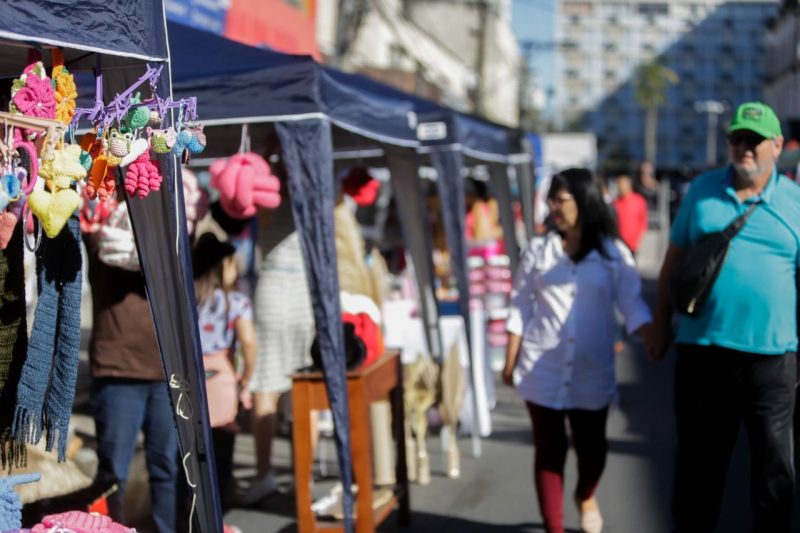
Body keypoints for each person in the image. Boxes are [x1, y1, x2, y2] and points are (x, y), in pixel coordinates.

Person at [648, 102, 800, 533]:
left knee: (774, 479)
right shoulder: (701, 190)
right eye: (737, 139)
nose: (744, 149)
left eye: (753, 141)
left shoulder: (795, 203)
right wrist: (660, 324)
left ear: (777, 145)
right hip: (703, 355)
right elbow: (671, 264)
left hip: (772, 361)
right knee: (698, 473)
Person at [503, 168, 652, 533]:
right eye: (551, 199)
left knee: (593, 453)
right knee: (549, 455)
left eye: (561, 199)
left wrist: (653, 336)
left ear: (584, 201)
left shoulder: (613, 253)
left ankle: (586, 494)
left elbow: (633, 304)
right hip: (543, 368)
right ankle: (554, 527)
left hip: (591, 372)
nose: (553, 206)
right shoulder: (539, 250)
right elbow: (520, 306)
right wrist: (510, 361)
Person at [83, 203, 179, 532]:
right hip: (117, 372)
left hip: (165, 373)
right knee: (114, 474)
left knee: (166, 468)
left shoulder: (170, 241)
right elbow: (97, 238)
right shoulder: (101, 230)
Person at [243, 193, 315, 505]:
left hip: (278, 286)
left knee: (270, 388)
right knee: (301, 388)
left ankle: (265, 474)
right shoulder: (310, 184)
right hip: (301, 289)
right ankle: (302, 478)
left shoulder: (267, 189)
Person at [192, 233, 256, 509]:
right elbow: (249, 343)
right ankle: (218, 513)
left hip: (191, 375)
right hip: (222, 375)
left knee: (193, 449)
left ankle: (192, 510)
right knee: (221, 451)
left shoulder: (188, 298)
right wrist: (246, 377)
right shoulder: (236, 302)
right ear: (221, 267)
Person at [612, 173, 648, 255]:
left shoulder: (639, 201)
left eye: (621, 184)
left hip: (632, 244)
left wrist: (637, 240)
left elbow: (643, 222)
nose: (619, 187)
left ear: (629, 185)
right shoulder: (615, 203)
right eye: (618, 185)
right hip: (617, 244)